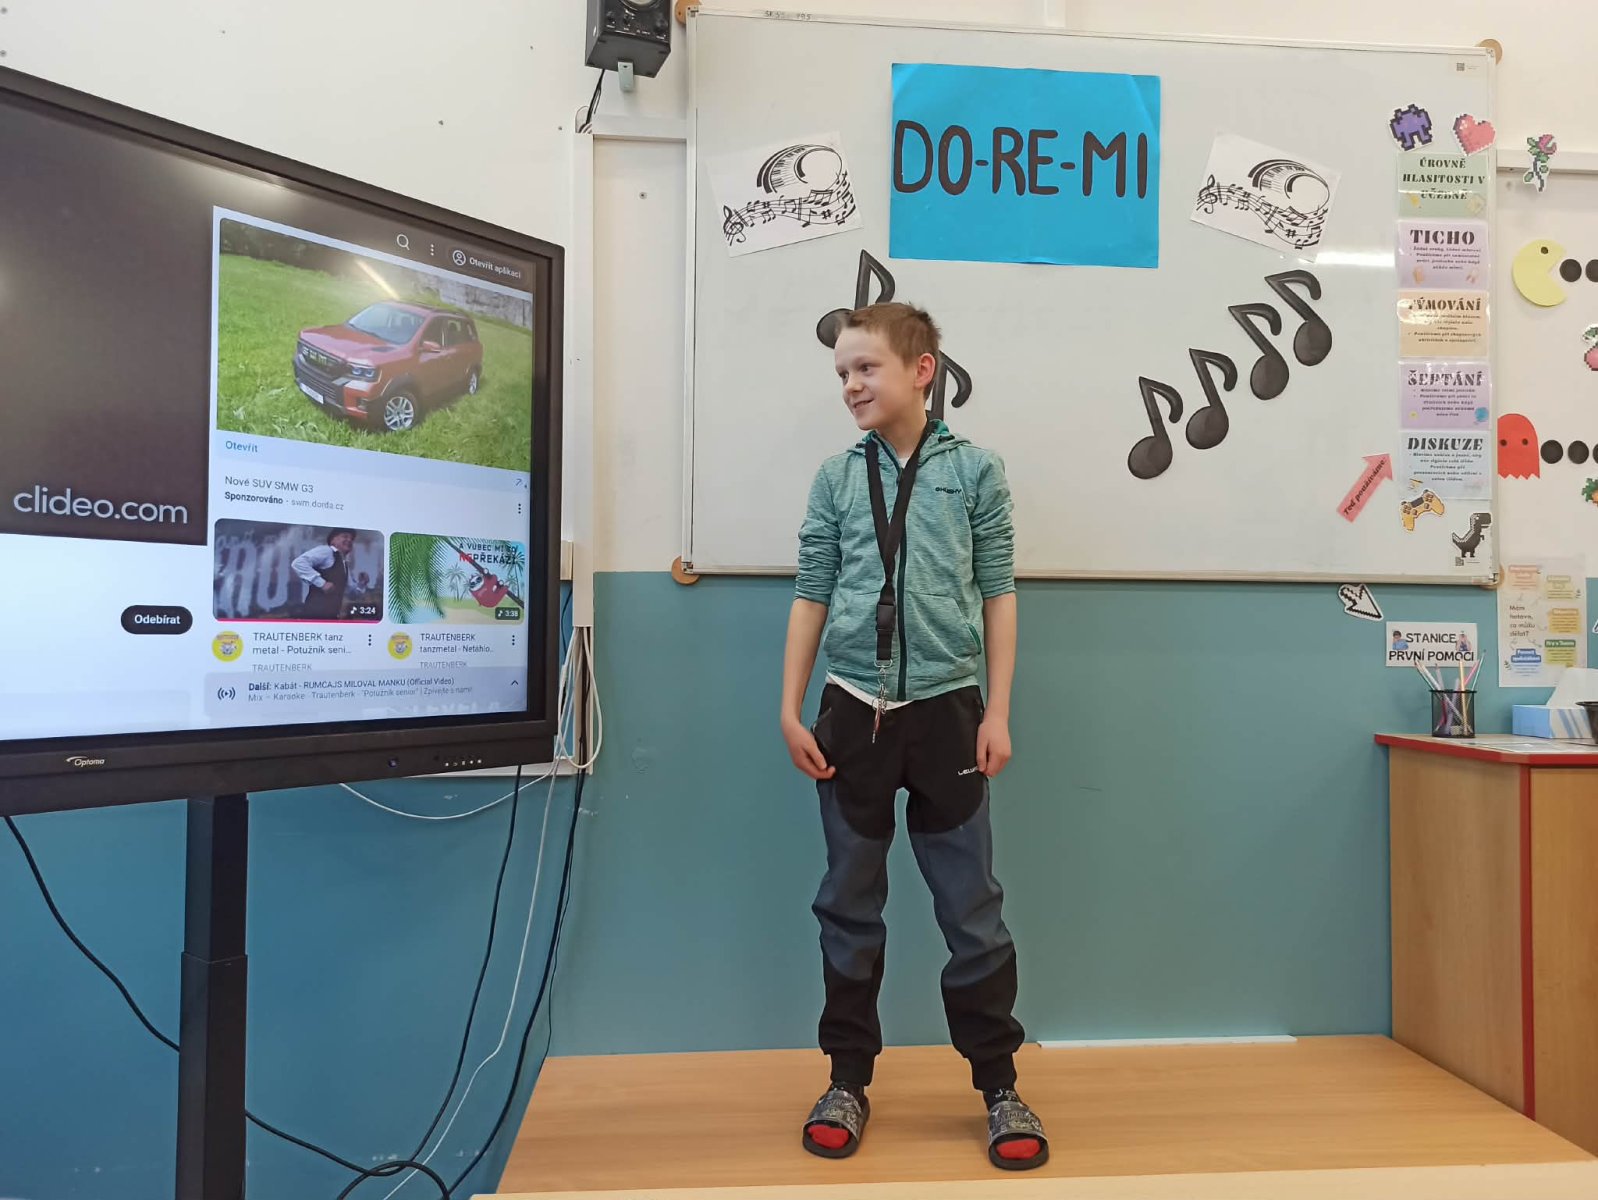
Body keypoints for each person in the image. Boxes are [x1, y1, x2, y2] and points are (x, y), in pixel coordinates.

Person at [779, 302, 1046, 1171]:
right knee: (847, 906)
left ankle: (1000, 1086)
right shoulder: (834, 478)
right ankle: (847, 1079)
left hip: (948, 715)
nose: (851, 386)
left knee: (973, 912)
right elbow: (812, 590)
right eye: (841, 374)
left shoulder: (975, 471)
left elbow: (998, 592)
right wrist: (791, 708)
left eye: (866, 368)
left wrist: (997, 710)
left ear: (921, 370)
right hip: (851, 713)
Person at [290, 528, 359, 619]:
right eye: (345, 536)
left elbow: (350, 590)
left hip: (331, 618)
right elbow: (299, 563)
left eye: (351, 539)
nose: (349, 540)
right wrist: (322, 583)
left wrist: (362, 584)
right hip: (314, 616)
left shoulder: (344, 564)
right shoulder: (327, 551)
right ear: (333, 540)